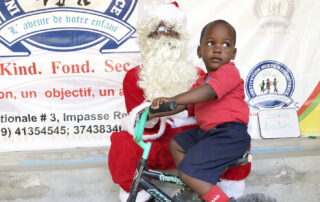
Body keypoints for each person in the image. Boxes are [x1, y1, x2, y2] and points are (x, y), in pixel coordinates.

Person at [108, 2, 202, 202]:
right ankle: (142, 199)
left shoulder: (198, 75)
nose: (166, 37)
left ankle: (228, 194)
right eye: (160, 30)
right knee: (123, 143)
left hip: (191, 143)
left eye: (173, 31)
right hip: (156, 145)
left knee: (232, 131)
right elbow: (137, 126)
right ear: (148, 37)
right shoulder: (133, 77)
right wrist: (154, 112)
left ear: (181, 37)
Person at [150, 20, 251, 202]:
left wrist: (173, 99)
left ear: (233, 53)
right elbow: (182, 104)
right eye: (211, 43)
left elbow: (208, 92)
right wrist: (155, 110)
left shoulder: (229, 72)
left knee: (189, 173)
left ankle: (217, 197)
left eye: (226, 44)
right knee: (176, 144)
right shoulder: (200, 82)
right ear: (199, 51)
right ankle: (193, 185)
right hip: (208, 134)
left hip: (229, 134)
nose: (218, 49)